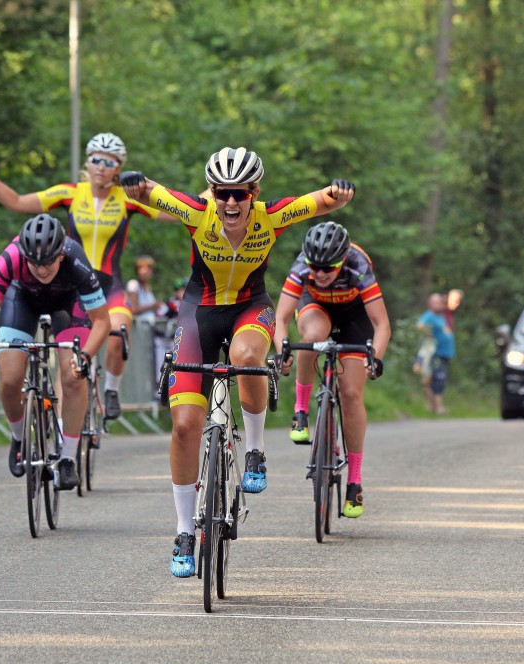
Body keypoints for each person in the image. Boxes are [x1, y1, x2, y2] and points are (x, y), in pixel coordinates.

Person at [121, 146, 355, 577]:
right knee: (186, 425)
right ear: (212, 192)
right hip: (199, 313)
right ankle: (183, 531)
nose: (231, 202)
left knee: (247, 357)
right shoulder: (197, 212)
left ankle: (255, 451)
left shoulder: (270, 216)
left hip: (250, 307)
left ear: (254, 193)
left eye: (241, 194)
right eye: (223, 192)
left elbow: (318, 200)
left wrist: (338, 193)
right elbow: (154, 193)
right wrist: (135, 185)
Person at [0, 133, 174, 421]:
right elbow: (18, 202)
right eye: (96, 160)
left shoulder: (127, 198)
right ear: (88, 161)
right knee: (68, 365)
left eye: (109, 162)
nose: (101, 167)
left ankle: (111, 391)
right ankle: (62, 431)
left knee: (118, 332)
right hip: (72, 282)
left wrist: (212, 196)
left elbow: (176, 210)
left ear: (119, 167)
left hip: (110, 284)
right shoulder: (70, 193)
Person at [0, 214, 111, 489]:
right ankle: (19, 438)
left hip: (67, 304)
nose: (42, 269)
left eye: (47, 262)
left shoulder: (76, 261)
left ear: (60, 254)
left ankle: (68, 458)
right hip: (21, 300)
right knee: (10, 380)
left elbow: (102, 321)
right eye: (34, 263)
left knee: (73, 377)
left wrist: (85, 357)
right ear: (24, 256)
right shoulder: (11, 258)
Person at [272, 221, 390, 519]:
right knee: (311, 339)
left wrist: (375, 357)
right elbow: (282, 319)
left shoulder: (357, 265)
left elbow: (381, 324)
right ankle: (300, 411)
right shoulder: (302, 267)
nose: (321, 273)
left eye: (329, 268)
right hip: (316, 308)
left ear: (342, 260)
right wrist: (281, 350)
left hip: (354, 316)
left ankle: (355, 481)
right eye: (315, 267)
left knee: (351, 393)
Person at [417, 292, 456, 415]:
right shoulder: (429, 315)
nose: (437, 304)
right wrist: (428, 336)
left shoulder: (443, 316)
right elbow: (420, 326)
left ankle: (434, 407)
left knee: (439, 380)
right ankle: (436, 407)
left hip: (444, 354)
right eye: (434, 302)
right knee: (436, 379)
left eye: (439, 302)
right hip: (435, 354)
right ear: (430, 304)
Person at [125, 255, 160, 324]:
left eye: (148, 268)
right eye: (141, 268)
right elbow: (133, 310)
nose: (145, 271)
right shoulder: (133, 285)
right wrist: (151, 306)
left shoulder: (148, 287)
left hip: (148, 329)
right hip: (138, 328)